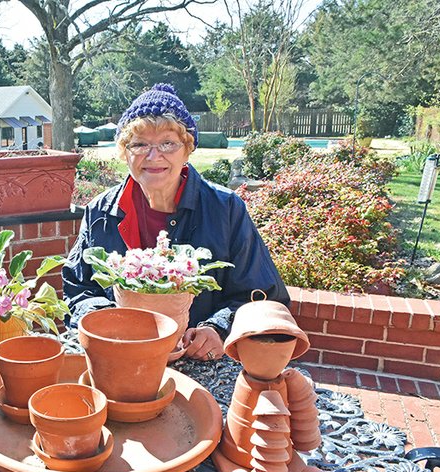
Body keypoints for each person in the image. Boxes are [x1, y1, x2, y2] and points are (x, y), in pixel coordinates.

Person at [63, 84, 289, 362]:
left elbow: (263, 294)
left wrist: (217, 328)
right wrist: (108, 322)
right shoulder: (100, 211)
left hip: (200, 360)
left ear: (187, 149)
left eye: (168, 143)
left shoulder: (226, 209)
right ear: (124, 151)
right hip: (119, 357)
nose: (154, 155)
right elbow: (78, 287)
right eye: (140, 143)